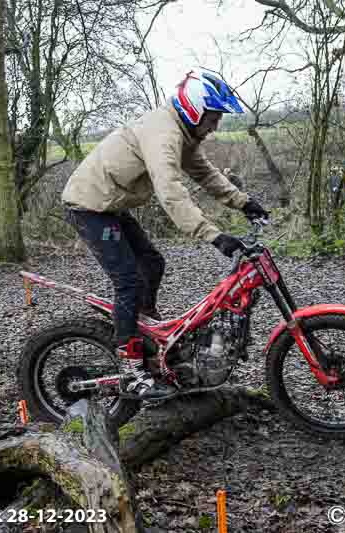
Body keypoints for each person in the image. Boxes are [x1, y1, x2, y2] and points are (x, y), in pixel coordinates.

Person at [61, 69, 270, 399]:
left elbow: (205, 173)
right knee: (128, 280)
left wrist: (243, 202)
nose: (215, 126)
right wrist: (213, 235)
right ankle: (131, 368)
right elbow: (170, 191)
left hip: (108, 205)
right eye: (213, 117)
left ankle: (144, 333)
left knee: (152, 262)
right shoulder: (164, 134)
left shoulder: (183, 133)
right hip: (89, 206)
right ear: (195, 109)